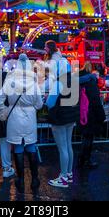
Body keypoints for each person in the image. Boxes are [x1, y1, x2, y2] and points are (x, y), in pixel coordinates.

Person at [0, 54, 43, 194]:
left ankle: (20, 180)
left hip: (14, 118)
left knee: (18, 148)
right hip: (29, 119)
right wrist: (32, 108)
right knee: (31, 147)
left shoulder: (10, 81)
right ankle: (35, 179)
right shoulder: (34, 83)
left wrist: (4, 110)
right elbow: (40, 104)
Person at [45, 40, 79, 188]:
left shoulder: (58, 83)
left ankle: (63, 177)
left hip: (59, 117)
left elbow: (50, 103)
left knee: (62, 148)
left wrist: (45, 100)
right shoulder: (72, 80)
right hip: (70, 116)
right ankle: (69, 173)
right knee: (68, 145)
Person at [78, 62, 106, 169]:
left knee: (84, 137)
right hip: (90, 115)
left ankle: (81, 159)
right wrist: (101, 116)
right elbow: (96, 101)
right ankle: (86, 160)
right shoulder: (91, 83)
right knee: (88, 138)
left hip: (80, 114)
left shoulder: (77, 81)